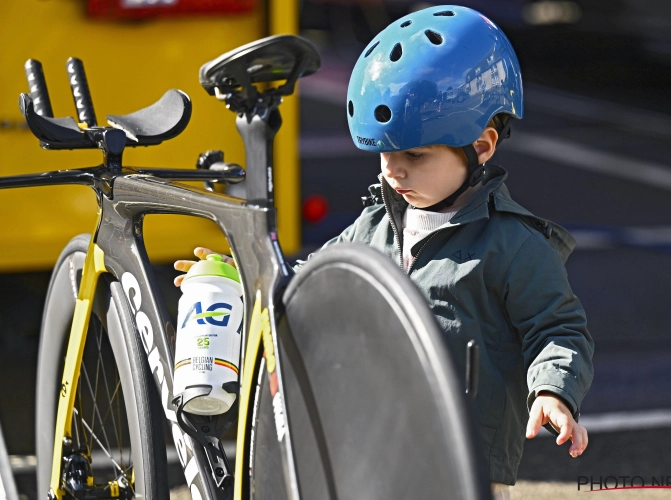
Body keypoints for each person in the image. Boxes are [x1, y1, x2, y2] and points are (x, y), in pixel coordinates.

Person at [175, 6, 594, 499]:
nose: (394, 171)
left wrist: (551, 391)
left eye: (414, 155)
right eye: (385, 153)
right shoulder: (371, 227)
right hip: (370, 450)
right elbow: (305, 290)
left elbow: (558, 329)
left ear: (481, 145)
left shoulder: (513, 244)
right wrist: (239, 286)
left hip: (460, 467)